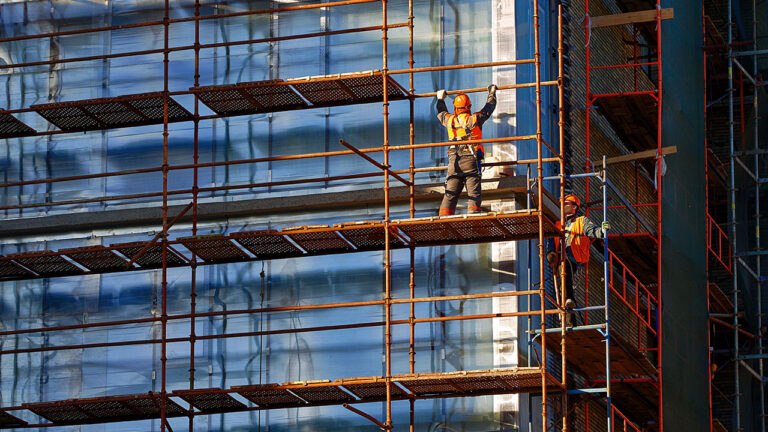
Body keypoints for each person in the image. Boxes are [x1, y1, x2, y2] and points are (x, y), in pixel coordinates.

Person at [546, 194, 610, 326]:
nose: (563, 206)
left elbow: (592, 231)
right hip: (561, 259)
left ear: (574, 207)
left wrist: (602, 231)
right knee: (563, 286)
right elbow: (551, 243)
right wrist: (550, 254)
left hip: (573, 258)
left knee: (565, 272)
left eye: (567, 204)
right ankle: (570, 319)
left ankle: (569, 302)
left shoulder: (582, 221)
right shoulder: (558, 224)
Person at [435, 84, 497, 216]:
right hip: (471, 159)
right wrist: (491, 92)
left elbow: (441, 113)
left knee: (450, 193)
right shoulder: (475, 119)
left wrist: (440, 98)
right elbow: (489, 107)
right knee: (473, 193)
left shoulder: (450, 120)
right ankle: (473, 217)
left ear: (455, 108)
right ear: (469, 107)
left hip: (454, 161)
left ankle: (444, 219)